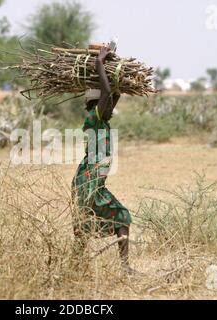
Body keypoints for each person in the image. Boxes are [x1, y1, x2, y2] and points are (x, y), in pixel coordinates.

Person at [71, 46, 135, 275]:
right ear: (99, 104)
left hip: (90, 182)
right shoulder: (94, 119)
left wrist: (116, 67)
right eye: (108, 106)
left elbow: (113, 94)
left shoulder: (101, 119)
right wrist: (99, 62)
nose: (112, 110)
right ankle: (124, 267)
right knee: (120, 217)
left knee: (83, 224)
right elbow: (108, 94)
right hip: (90, 182)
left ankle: (75, 267)